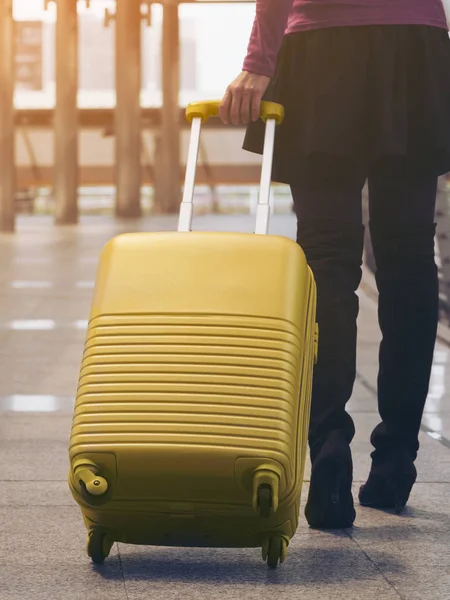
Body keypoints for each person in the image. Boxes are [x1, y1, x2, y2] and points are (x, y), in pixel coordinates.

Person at [219, 0, 450, 529]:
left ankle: (327, 444)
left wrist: (260, 59)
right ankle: (395, 463)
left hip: (322, 47)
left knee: (325, 255)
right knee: (410, 256)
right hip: (414, 45)